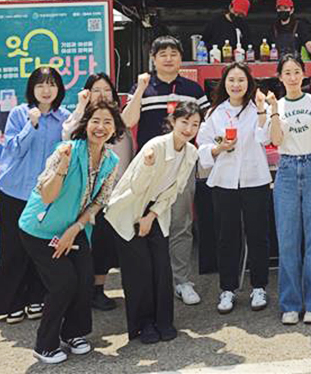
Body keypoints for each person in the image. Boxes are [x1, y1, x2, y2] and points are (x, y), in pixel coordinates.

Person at [17, 100, 124, 364]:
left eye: (107, 122)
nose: (101, 127)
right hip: (40, 230)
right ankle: (45, 345)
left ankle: (74, 333)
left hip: (74, 229)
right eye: (95, 120)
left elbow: (100, 201)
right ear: (86, 124)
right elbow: (47, 195)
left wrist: (75, 229)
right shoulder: (65, 150)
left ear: (115, 128)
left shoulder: (111, 160)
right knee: (63, 284)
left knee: (85, 279)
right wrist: (62, 169)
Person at [105, 101, 202, 344]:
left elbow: (174, 190)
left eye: (195, 124)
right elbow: (137, 188)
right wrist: (147, 166)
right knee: (139, 271)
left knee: (161, 267)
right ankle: (143, 325)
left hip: (156, 211)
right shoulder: (155, 146)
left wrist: (151, 216)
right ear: (172, 122)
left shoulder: (191, 152)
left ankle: (164, 321)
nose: (189, 129)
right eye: (184, 122)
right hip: (129, 209)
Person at [123, 35, 209, 306]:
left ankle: (181, 280)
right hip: (149, 168)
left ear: (181, 58)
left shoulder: (193, 89)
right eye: (163, 54)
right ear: (153, 58)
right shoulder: (144, 88)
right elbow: (127, 121)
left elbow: (205, 128)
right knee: (147, 224)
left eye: (174, 53)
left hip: (182, 167)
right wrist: (139, 89)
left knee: (181, 224)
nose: (169, 58)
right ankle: (153, 281)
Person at [0, 67, 70, 325]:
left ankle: (37, 298)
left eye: (51, 85)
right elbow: (14, 149)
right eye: (40, 85)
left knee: (40, 248)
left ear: (59, 88)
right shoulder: (19, 114)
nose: (46, 90)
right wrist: (32, 124)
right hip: (15, 190)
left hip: (47, 195)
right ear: (32, 90)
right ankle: (12, 302)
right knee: (13, 248)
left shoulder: (65, 118)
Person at [196, 62, 271, 314]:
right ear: (224, 84)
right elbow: (203, 145)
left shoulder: (258, 109)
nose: (236, 85)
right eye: (231, 80)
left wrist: (262, 111)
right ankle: (227, 288)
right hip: (225, 181)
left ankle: (259, 286)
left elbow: (266, 139)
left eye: (241, 80)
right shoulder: (215, 113)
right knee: (227, 236)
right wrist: (218, 149)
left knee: (258, 233)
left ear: (249, 83)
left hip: (255, 179)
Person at [268, 55, 311, 324]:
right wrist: (273, 110)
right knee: (288, 241)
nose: (293, 77)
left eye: (297, 72)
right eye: (287, 73)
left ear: (304, 75)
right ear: (280, 77)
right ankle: (290, 304)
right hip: (286, 171)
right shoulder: (279, 105)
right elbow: (275, 140)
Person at [62, 73, 134, 311]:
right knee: (92, 242)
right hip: (88, 196)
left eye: (106, 90)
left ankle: (103, 288)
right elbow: (67, 134)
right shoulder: (84, 119)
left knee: (111, 243)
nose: (102, 94)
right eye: (96, 90)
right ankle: (89, 290)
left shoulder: (120, 120)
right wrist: (82, 105)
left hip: (118, 192)